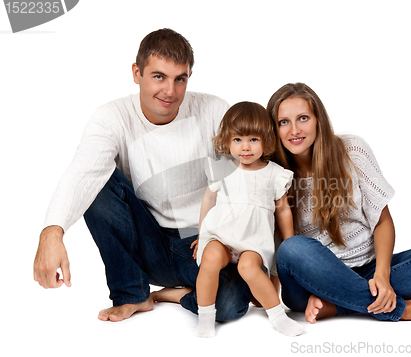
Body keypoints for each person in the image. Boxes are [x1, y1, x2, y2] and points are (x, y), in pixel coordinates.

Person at [33, 28, 252, 322]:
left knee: (229, 304)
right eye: (158, 76)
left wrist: (227, 238)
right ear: (137, 73)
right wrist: (51, 232)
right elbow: (82, 173)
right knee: (97, 181)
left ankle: (167, 294)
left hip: (203, 243)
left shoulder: (214, 110)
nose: (170, 91)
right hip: (147, 240)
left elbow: (247, 176)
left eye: (180, 79)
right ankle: (132, 294)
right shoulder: (112, 116)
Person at [266, 82, 411, 324]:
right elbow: (279, 248)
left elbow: (382, 220)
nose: (294, 130)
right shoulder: (272, 174)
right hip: (311, 283)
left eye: (303, 118)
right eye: (283, 122)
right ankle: (402, 311)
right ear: (274, 129)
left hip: (369, 267)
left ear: (318, 119)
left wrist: (382, 274)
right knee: (293, 248)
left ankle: (338, 305)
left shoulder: (352, 150)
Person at [191, 102, 304, 337]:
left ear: (266, 140)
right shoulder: (221, 169)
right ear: (227, 140)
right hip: (221, 238)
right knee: (210, 258)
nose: (245, 147)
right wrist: (202, 234)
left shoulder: (274, 173)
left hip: (253, 242)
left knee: (248, 266)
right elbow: (208, 201)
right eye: (238, 140)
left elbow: (283, 210)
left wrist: (289, 242)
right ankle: (205, 318)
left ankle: (278, 317)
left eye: (253, 140)